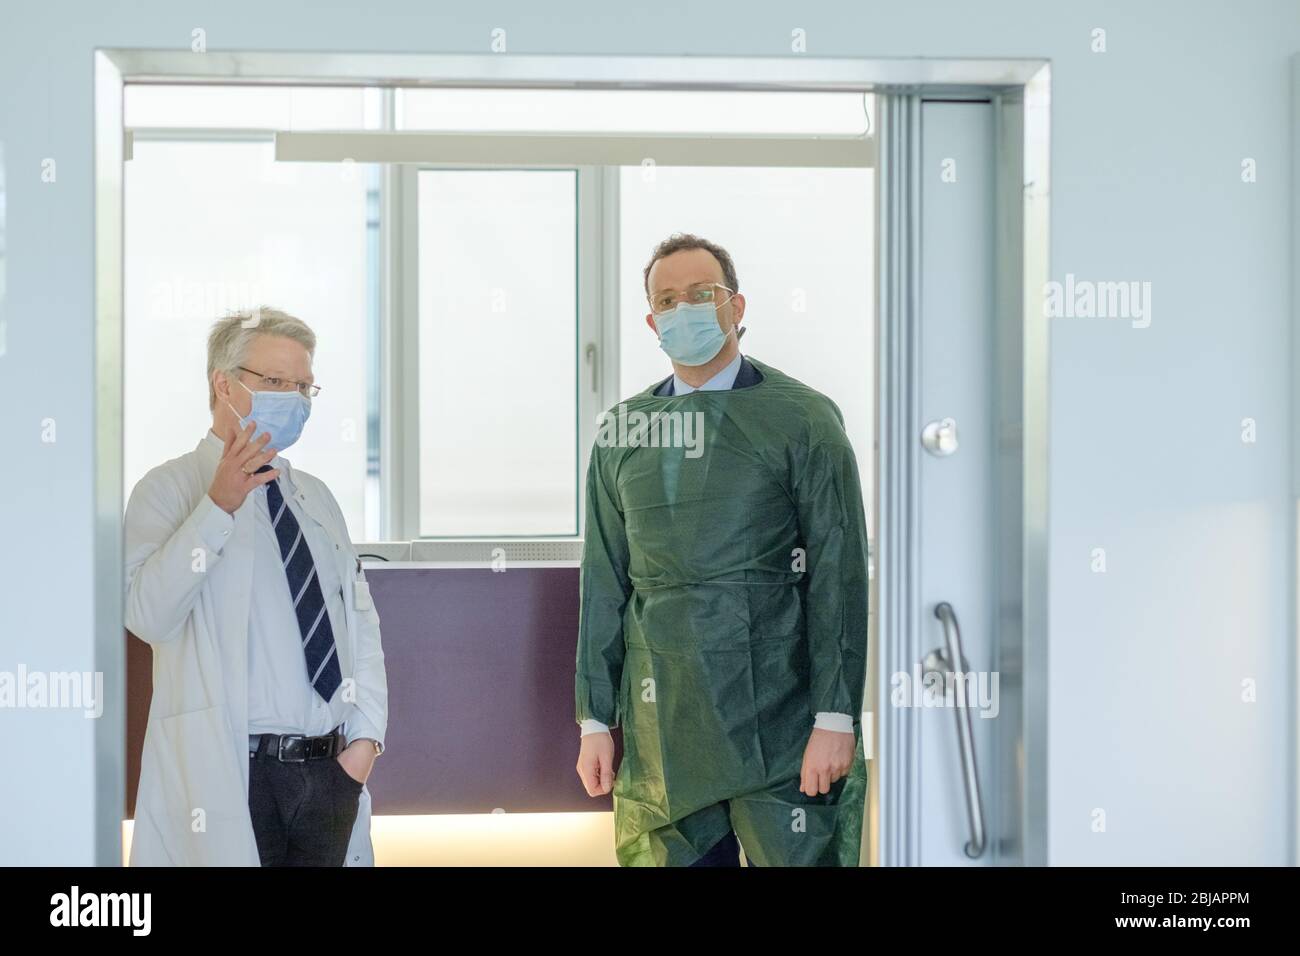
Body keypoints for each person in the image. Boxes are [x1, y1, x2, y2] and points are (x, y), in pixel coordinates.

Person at [574, 234, 870, 866]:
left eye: (703, 294)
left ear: (736, 306)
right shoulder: (623, 433)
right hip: (666, 738)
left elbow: (838, 575)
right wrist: (595, 722)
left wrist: (836, 718)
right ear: (653, 322)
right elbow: (605, 582)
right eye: (669, 299)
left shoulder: (804, 422)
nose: (686, 309)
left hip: (785, 730)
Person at [125, 307, 388, 866]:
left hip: (328, 772)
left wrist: (363, 746)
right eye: (275, 383)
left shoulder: (314, 497)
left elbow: (360, 627)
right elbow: (148, 615)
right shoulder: (169, 490)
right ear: (225, 384)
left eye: (303, 387)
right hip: (233, 774)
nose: (293, 400)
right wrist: (217, 506)